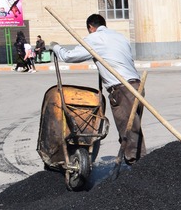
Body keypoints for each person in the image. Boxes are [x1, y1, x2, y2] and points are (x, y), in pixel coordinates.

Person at [50, 14, 145, 164]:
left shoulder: (94, 38)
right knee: (133, 129)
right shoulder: (119, 37)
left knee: (130, 130)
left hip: (122, 89)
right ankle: (136, 163)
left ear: (90, 28)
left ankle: (137, 167)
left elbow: (69, 57)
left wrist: (55, 47)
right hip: (137, 86)